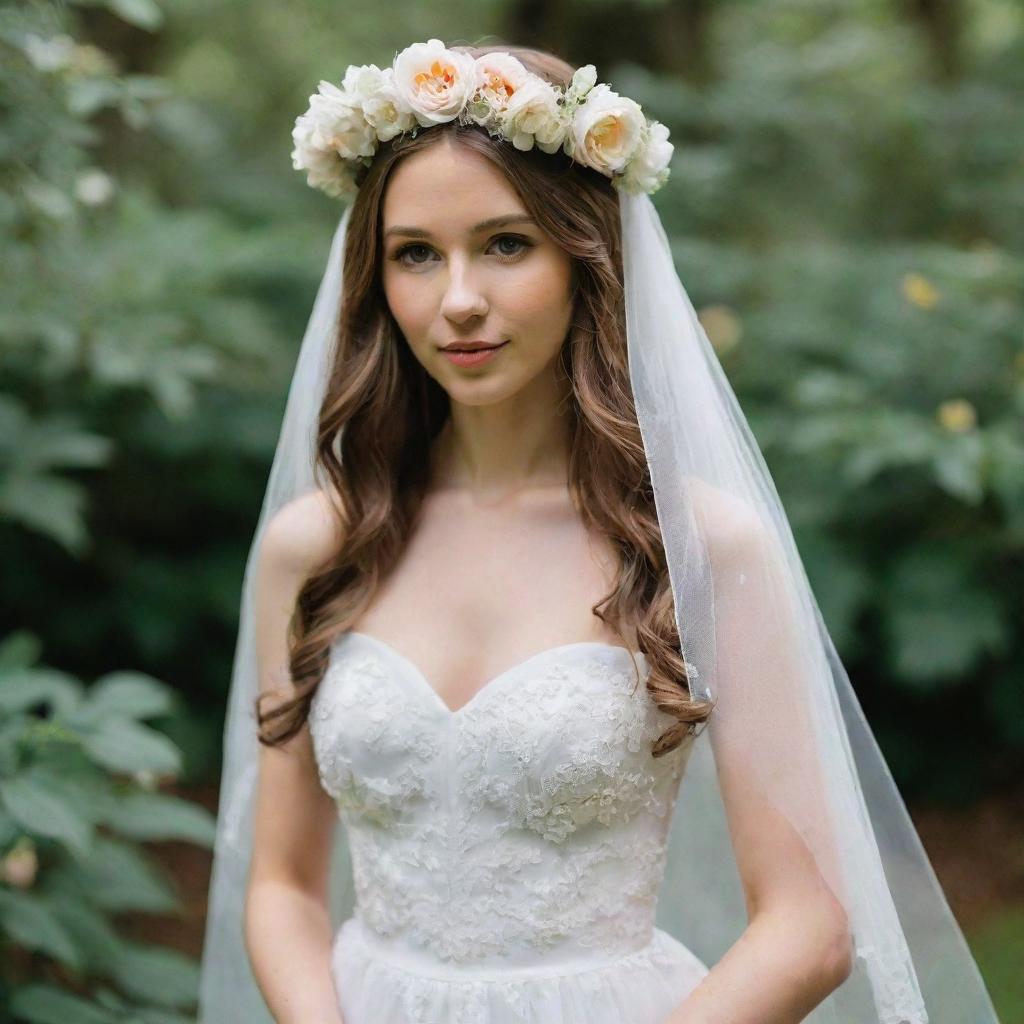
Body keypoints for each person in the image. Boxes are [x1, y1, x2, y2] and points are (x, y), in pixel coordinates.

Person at [198, 38, 1002, 1024]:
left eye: (504, 243)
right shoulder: (316, 546)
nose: (457, 299)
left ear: (585, 258)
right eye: (416, 253)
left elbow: (811, 923)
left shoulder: (700, 547)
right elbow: (278, 883)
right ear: (375, 278)